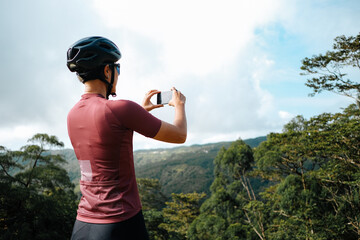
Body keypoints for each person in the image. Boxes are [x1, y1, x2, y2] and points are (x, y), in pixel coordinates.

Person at [66, 36, 187, 240]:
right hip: (121, 222)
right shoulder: (122, 109)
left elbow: (106, 131)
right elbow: (179, 135)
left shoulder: (72, 114)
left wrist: (141, 111)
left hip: (83, 224)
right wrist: (179, 105)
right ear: (107, 70)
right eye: (117, 68)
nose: (118, 74)